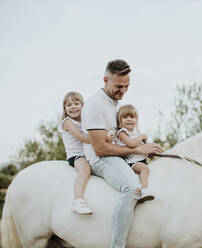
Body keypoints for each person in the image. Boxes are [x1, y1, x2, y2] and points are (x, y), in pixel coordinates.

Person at [81, 59, 163, 248]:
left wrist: (146, 147)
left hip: (119, 156)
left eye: (127, 86)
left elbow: (124, 137)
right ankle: (117, 245)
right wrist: (136, 149)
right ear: (105, 80)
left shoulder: (117, 105)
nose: (123, 91)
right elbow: (100, 149)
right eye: (119, 86)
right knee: (132, 189)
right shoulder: (95, 105)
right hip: (100, 159)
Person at [59, 92, 113, 215]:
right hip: (77, 155)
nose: (73, 107)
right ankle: (78, 201)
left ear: (83, 106)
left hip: (89, 153)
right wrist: (103, 137)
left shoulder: (87, 120)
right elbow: (81, 137)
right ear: (65, 109)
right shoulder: (67, 122)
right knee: (85, 170)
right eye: (69, 105)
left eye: (76, 103)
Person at [116, 104, 154, 202]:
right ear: (120, 121)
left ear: (136, 119)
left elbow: (142, 146)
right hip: (132, 162)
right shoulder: (122, 132)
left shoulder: (136, 132)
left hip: (142, 159)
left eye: (132, 117)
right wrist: (141, 137)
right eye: (125, 117)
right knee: (144, 169)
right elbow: (132, 144)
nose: (129, 119)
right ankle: (144, 191)